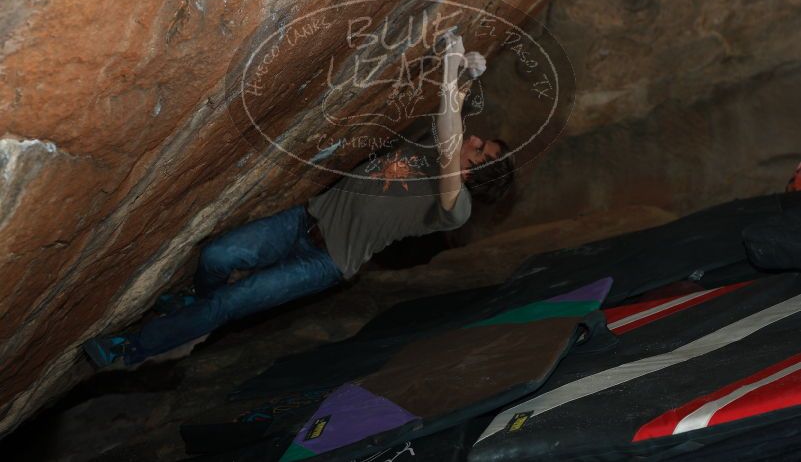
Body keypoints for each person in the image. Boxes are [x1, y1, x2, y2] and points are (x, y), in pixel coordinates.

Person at [83, 33, 516, 368]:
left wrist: (455, 64)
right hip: (303, 218)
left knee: (231, 303)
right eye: (479, 140)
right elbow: (447, 112)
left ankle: (131, 350)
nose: (475, 139)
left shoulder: (455, 207)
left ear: (474, 173)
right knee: (217, 256)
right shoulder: (433, 147)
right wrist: (464, 72)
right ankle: (191, 313)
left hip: (325, 263)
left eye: (481, 151)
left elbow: (450, 135)